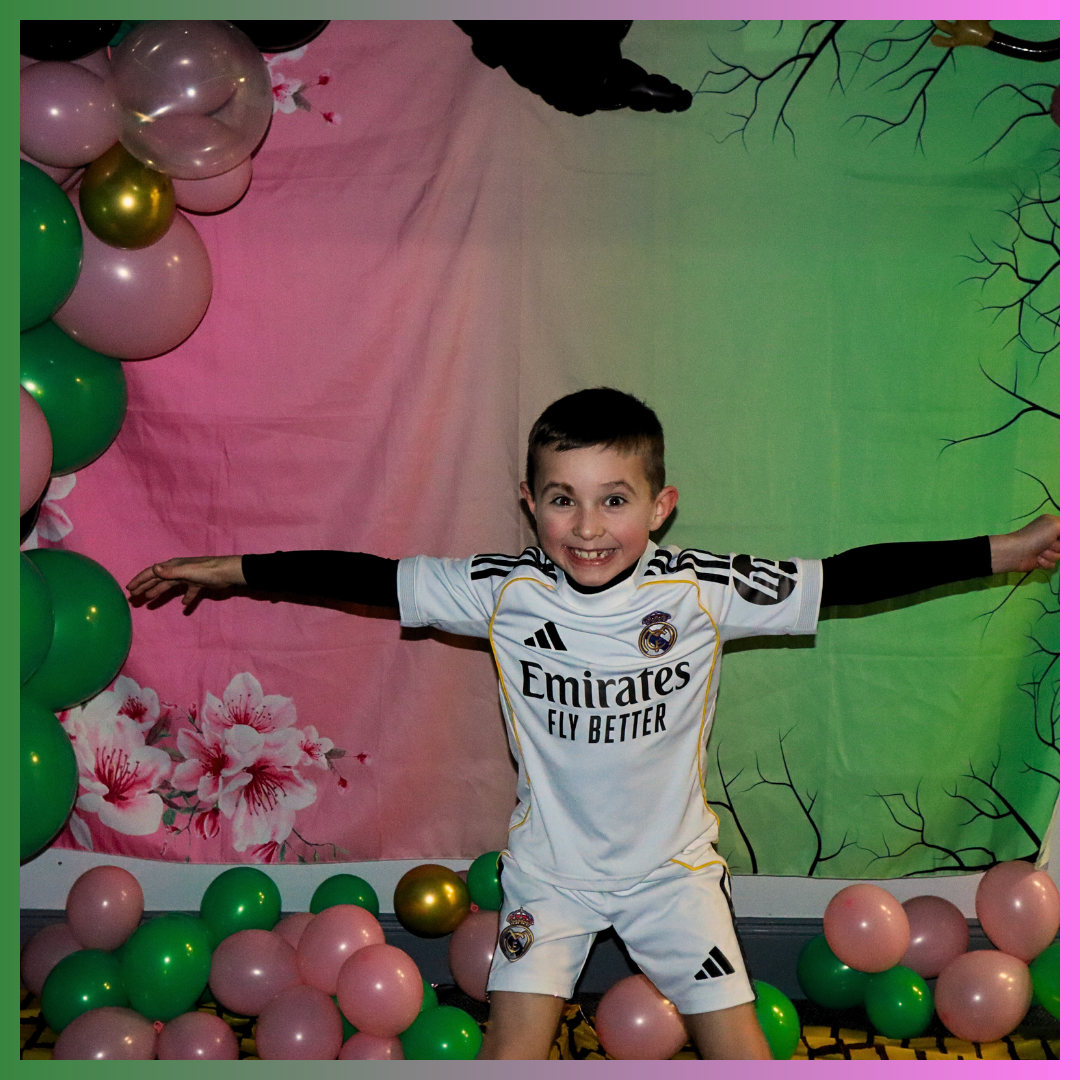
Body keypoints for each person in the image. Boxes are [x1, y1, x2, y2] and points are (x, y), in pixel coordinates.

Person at [128, 387, 1060, 1059]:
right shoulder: (501, 590)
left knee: (744, 1055)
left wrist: (1007, 549)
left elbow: (850, 575)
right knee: (512, 1055)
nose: (587, 526)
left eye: (614, 499)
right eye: (562, 499)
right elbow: (362, 575)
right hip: (551, 878)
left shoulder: (702, 589)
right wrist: (230, 569)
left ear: (660, 506)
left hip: (672, 878)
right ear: (529, 504)